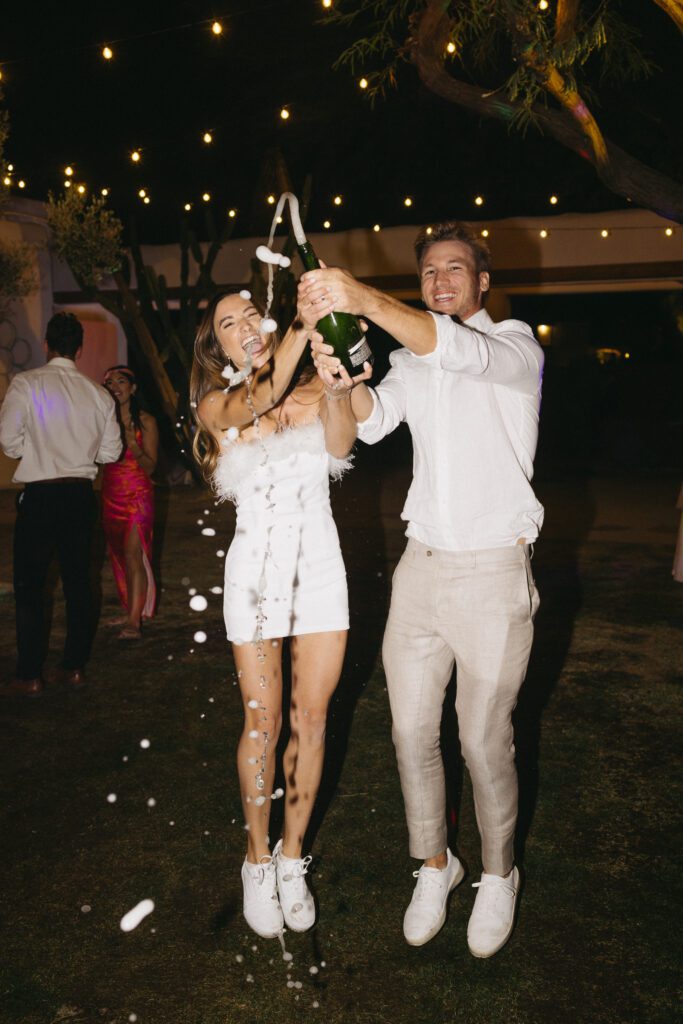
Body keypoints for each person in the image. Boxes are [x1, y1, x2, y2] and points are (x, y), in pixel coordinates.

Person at [299, 220, 544, 958]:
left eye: (454, 269)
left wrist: (357, 296)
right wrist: (338, 384)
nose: (440, 281)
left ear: (481, 281)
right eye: (430, 271)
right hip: (420, 572)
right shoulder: (411, 358)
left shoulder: (511, 346)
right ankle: (434, 864)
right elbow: (364, 428)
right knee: (409, 734)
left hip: (494, 573)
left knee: (480, 739)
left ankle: (499, 874)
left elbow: (455, 349)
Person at [190, 288, 370, 939]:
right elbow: (257, 399)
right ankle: (255, 858)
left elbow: (344, 439)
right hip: (257, 578)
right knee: (262, 723)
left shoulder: (309, 389)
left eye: (249, 315)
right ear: (218, 346)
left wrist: (337, 385)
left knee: (312, 720)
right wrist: (304, 320)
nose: (244, 328)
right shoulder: (218, 405)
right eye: (227, 324)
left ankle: (293, 857)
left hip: (321, 567)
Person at [0, 312, 122, 695]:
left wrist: (32, 449)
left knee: (31, 586)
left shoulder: (26, 383)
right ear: (80, 349)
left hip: (40, 496)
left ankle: (29, 674)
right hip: (79, 497)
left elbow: (7, 440)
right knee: (79, 585)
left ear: (47, 345)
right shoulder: (98, 395)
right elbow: (112, 452)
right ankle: (73, 667)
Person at [102, 366, 159, 639]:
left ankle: (134, 622)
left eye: (121, 381)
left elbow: (151, 466)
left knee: (133, 554)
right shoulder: (103, 420)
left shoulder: (146, 420)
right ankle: (131, 610)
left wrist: (130, 443)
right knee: (119, 555)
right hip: (111, 494)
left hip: (138, 496)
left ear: (133, 388)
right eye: (109, 382)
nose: (115, 386)